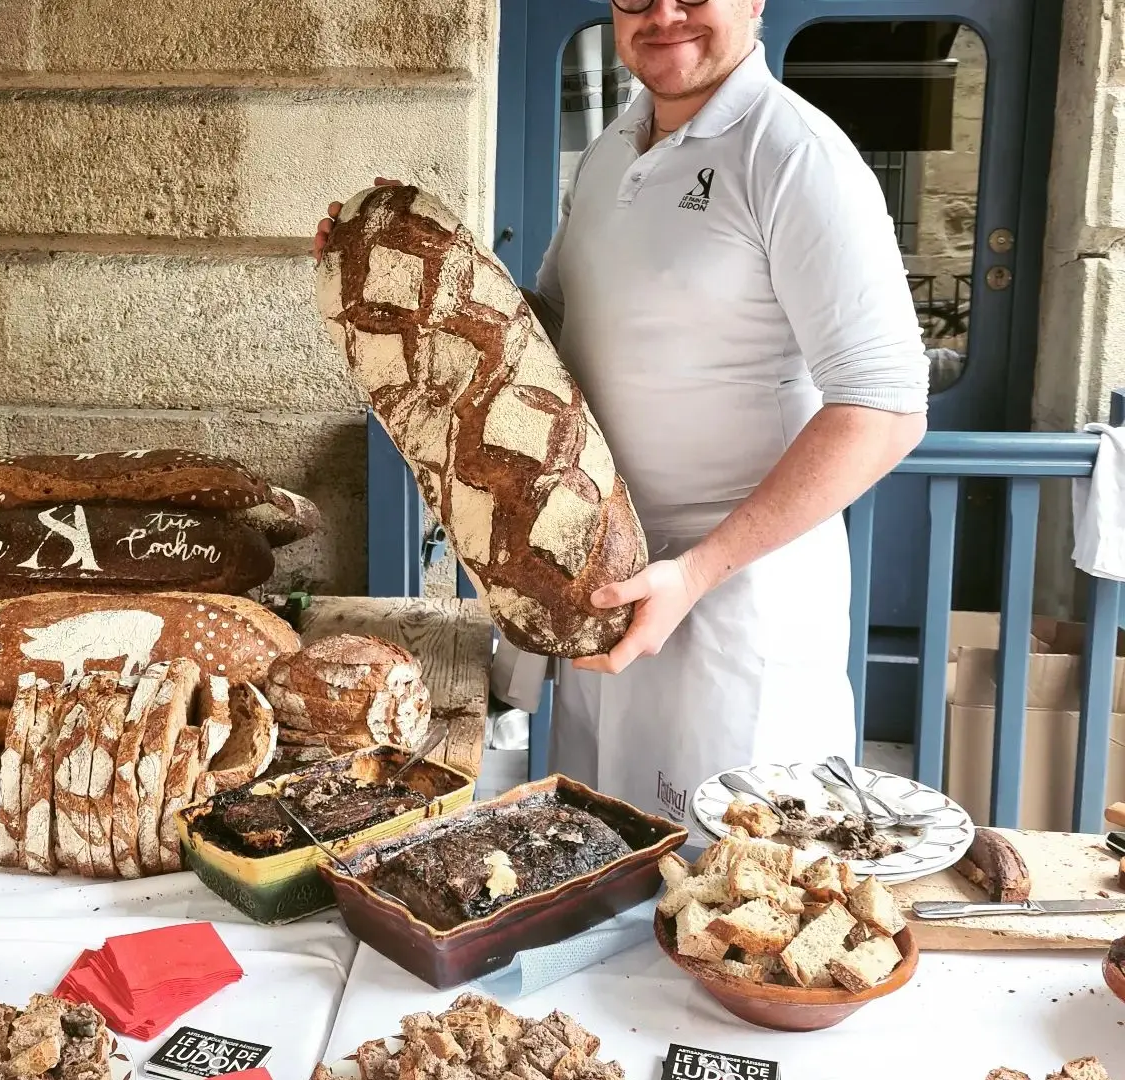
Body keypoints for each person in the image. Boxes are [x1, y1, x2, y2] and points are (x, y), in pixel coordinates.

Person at [314, 0, 929, 828]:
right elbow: (557, 331)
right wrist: (413, 280)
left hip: (735, 604)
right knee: (597, 858)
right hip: (599, 579)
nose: (664, 14)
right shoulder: (610, 151)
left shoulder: (795, 155)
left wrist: (699, 571)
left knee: (725, 892)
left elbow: (886, 408)